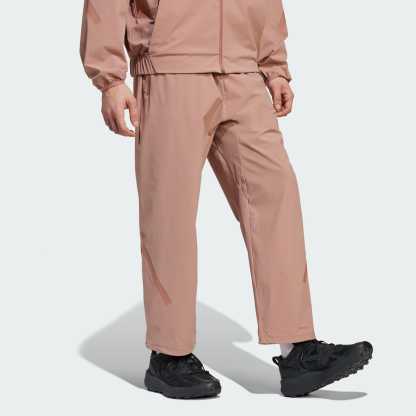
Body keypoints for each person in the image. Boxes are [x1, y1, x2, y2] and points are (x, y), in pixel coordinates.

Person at [80, 0, 372, 399]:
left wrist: (274, 66)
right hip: (171, 66)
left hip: (243, 69)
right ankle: (169, 354)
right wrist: (110, 79)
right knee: (169, 214)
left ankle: (298, 350)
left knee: (277, 198)